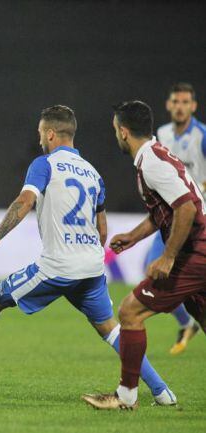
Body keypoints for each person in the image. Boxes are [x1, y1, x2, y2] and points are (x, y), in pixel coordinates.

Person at [0, 106, 175, 406]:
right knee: (110, 329)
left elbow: (25, 201)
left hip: (58, 266)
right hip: (91, 266)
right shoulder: (94, 174)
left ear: (50, 133)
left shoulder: (45, 164)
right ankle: (162, 392)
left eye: (40, 135)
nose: (40, 140)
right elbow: (102, 229)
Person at [82, 100, 206, 410]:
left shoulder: (151, 162)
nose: (115, 136)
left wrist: (168, 257)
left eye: (115, 130)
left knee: (130, 312)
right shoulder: (153, 156)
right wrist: (134, 238)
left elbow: (186, 207)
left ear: (123, 132)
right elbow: (164, 211)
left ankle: (126, 397)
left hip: (196, 252)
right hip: (199, 251)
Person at [144, 83, 204, 354]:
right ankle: (186, 322)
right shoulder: (162, 134)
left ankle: (192, 318)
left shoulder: (202, 136)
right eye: (175, 101)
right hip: (171, 218)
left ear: (193, 106)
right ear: (169, 105)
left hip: (198, 219)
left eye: (185, 102)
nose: (180, 106)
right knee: (151, 265)